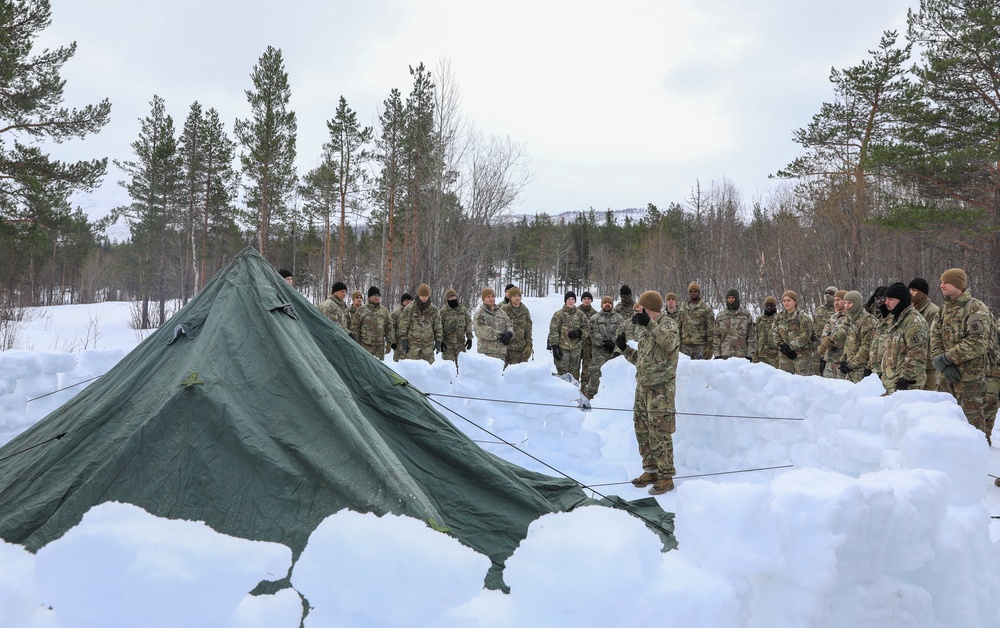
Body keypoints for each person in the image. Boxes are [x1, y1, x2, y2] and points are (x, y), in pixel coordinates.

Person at [614, 290, 679, 496]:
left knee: (660, 431)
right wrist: (624, 349)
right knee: (642, 429)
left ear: (647, 308)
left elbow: (669, 343)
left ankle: (666, 476)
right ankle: (650, 470)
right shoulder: (643, 329)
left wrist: (650, 324)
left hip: (660, 389)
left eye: (640, 307)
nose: (636, 311)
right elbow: (641, 360)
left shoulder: (668, 324)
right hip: (643, 387)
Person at [930, 268, 993, 443]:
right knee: (945, 420)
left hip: (969, 378)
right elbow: (934, 337)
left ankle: (977, 458)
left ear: (958, 285)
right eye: (941, 282)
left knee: (972, 423)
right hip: (945, 376)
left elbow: (977, 343)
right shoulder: (944, 310)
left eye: (946, 282)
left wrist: (947, 358)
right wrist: (941, 362)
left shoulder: (976, 308)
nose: (941, 285)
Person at [880, 282, 928, 394]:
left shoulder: (913, 321)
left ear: (901, 300)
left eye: (890, 299)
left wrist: (905, 378)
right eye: (886, 298)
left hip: (907, 386)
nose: (886, 302)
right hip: (891, 383)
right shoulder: (894, 320)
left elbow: (917, 353)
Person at [585, 295, 624, 399]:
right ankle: (590, 397)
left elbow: (622, 334)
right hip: (599, 352)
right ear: (602, 304)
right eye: (605, 303)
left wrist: (615, 345)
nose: (607, 304)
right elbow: (593, 333)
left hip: (615, 352)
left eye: (609, 303)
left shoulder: (619, 318)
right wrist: (604, 343)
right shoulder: (595, 318)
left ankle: (610, 399)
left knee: (613, 376)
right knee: (595, 374)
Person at [548, 291, 590, 378]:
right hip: (562, 349)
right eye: (569, 299)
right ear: (565, 301)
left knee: (573, 374)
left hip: (575, 349)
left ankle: (573, 391)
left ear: (575, 301)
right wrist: (555, 346)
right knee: (562, 374)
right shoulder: (559, 314)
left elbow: (587, 329)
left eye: (572, 299)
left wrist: (580, 333)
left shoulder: (580, 314)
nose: (571, 301)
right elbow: (553, 330)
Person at [398, 283, 442, 365]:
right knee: (412, 370)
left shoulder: (434, 309)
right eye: (422, 295)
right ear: (419, 295)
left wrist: (438, 340)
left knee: (428, 371)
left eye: (426, 296)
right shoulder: (410, 308)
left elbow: (438, 326)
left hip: (428, 347)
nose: (424, 298)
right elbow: (403, 325)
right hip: (412, 347)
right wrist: (404, 340)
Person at [838, 290, 876, 383]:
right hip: (851, 370)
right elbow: (849, 342)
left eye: (850, 303)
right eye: (845, 303)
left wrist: (851, 365)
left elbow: (866, 347)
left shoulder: (867, 321)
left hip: (861, 370)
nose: (846, 306)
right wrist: (843, 359)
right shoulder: (852, 319)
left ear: (857, 304)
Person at [909, 278, 940, 391]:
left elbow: (933, 338)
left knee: (927, 395)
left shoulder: (933, 311)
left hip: (928, 364)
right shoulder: (911, 310)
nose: (911, 293)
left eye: (914, 290)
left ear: (923, 293)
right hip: (915, 363)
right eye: (910, 290)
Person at [774, 290, 813, 375]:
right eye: (784, 301)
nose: (786, 303)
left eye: (789, 300)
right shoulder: (779, 317)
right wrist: (782, 346)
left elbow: (806, 335)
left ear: (794, 301)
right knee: (784, 380)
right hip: (784, 355)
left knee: (803, 381)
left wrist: (791, 347)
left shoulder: (802, 316)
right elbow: (774, 333)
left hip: (801, 355)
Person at [350, 286, 393, 359]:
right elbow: (355, 328)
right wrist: (357, 343)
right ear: (369, 297)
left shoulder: (384, 311)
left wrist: (389, 343)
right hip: (365, 346)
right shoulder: (361, 310)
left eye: (378, 295)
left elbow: (389, 327)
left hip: (379, 347)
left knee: (378, 368)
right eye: (373, 295)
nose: (376, 297)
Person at [713, 288, 755, 360]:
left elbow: (751, 336)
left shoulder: (745, 315)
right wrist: (717, 355)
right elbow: (716, 337)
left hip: (741, 356)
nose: (731, 300)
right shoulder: (721, 315)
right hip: (725, 355)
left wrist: (750, 355)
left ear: (737, 298)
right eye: (729, 298)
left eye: (733, 297)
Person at [677, 281, 716, 359]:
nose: (693, 293)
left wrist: (710, 348)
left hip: (700, 347)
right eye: (691, 291)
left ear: (699, 292)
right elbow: (678, 327)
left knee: (700, 370)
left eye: (695, 291)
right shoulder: (683, 309)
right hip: (685, 347)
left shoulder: (706, 309)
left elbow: (711, 330)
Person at [474, 287, 512, 362]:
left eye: (493, 296)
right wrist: (501, 335)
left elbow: (509, 324)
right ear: (483, 299)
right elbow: (482, 330)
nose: (491, 299)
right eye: (488, 297)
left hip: (502, 353)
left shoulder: (501, 313)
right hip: (487, 354)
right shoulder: (480, 314)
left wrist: (509, 333)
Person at [816, 290, 848, 378]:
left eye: (838, 300)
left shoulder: (849, 318)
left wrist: (827, 344)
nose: (836, 302)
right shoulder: (834, 317)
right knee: (828, 386)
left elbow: (841, 336)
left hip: (842, 359)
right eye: (834, 300)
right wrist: (825, 342)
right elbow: (825, 333)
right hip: (830, 359)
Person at [440, 289, 474, 365]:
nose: (453, 298)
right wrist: (440, 341)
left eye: (454, 296)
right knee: (448, 367)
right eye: (450, 297)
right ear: (447, 299)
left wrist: (469, 338)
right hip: (447, 345)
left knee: (462, 366)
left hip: (460, 344)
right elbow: (439, 327)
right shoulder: (443, 312)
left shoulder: (463, 310)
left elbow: (469, 323)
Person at [501, 286, 533, 365]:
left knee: (518, 374)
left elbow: (528, 329)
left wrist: (529, 345)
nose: (517, 298)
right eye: (515, 296)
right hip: (505, 348)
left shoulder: (525, 311)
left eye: (519, 296)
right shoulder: (504, 310)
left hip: (519, 349)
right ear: (510, 297)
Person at [810, 286, 837, 375]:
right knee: (815, 373)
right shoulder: (818, 310)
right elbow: (812, 327)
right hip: (817, 347)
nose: (828, 295)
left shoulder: (837, 311)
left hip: (831, 347)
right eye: (826, 293)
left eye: (831, 293)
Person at [755, 296, 780, 367]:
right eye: (767, 305)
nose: (769, 307)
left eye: (771, 305)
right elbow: (754, 336)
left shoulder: (779, 319)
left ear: (775, 306)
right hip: (761, 356)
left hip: (775, 356)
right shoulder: (759, 319)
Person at [577, 292, 597, 384]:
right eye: (584, 298)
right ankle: (572, 391)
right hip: (576, 344)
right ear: (581, 300)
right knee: (574, 368)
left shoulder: (595, 314)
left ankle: (584, 391)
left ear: (591, 300)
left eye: (588, 299)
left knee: (586, 369)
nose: (586, 300)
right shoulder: (576, 312)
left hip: (589, 346)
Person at [390, 293, 412, 362]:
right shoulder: (396, 314)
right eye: (406, 300)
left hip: (412, 345)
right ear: (402, 302)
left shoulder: (415, 313)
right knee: (398, 366)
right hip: (399, 344)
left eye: (409, 300)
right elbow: (391, 328)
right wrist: (393, 341)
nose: (408, 302)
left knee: (411, 365)